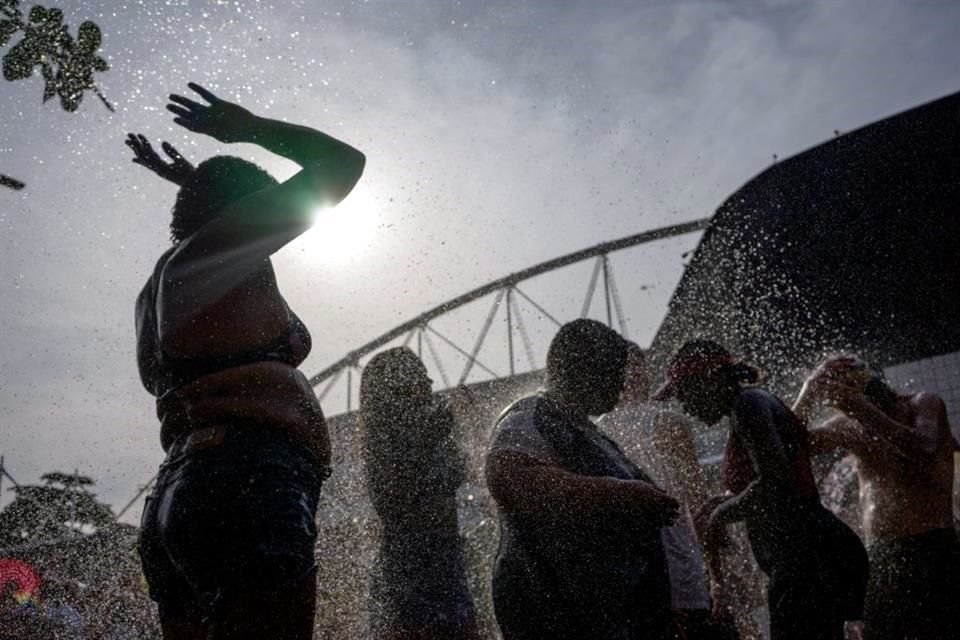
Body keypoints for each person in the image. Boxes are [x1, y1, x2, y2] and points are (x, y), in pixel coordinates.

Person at [131, 82, 365, 639]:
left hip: (178, 499)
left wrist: (195, 183)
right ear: (240, 210)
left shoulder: (165, 284)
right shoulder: (218, 250)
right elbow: (341, 163)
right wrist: (246, 127)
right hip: (246, 486)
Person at [653, 340, 867, 640]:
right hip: (807, 558)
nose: (685, 407)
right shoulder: (752, 404)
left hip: (806, 561)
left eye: (685, 394)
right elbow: (774, 479)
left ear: (710, 379)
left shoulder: (748, 406)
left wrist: (720, 516)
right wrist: (726, 500)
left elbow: (776, 482)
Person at [485, 319, 680, 640]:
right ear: (586, 369)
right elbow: (510, 476)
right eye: (615, 370)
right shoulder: (531, 415)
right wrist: (623, 494)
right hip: (560, 616)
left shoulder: (589, 431)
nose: (621, 385)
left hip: (616, 618)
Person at [795, 355, 960, 640]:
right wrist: (808, 391)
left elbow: (924, 448)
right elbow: (789, 444)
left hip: (933, 547)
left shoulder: (922, 404)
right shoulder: (848, 425)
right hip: (881, 554)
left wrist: (859, 409)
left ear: (867, 383)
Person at [599, 344, 737, 640]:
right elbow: (700, 506)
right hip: (681, 572)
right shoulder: (668, 422)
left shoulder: (595, 434)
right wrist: (719, 578)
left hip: (631, 581)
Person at [359, 347, 480, 640]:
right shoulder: (384, 442)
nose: (430, 383)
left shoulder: (435, 432)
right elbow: (391, 502)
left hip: (448, 558)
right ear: (396, 387)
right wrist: (424, 443)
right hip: (409, 568)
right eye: (420, 377)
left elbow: (463, 479)